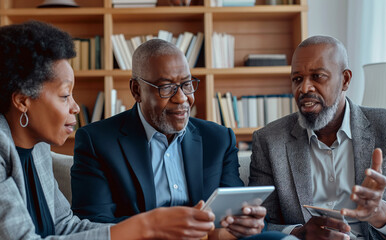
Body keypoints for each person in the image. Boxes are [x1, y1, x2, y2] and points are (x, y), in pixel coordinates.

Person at [0, 21, 217, 239]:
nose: (75, 107)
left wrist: (151, 230)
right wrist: (146, 226)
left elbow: (66, 226)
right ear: (22, 100)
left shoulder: (37, 148)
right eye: (65, 96)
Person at [71, 39, 289, 239]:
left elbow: (234, 211)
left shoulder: (218, 139)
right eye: (166, 87)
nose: (182, 98)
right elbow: (95, 226)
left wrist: (248, 222)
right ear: (137, 90)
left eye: (186, 84)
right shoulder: (97, 141)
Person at [249, 35, 386, 240]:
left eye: (318, 76)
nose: (305, 88)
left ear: (345, 80)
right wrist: (299, 233)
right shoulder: (269, 141)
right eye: (297, 79)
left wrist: (379, 213)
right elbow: (258, 223)